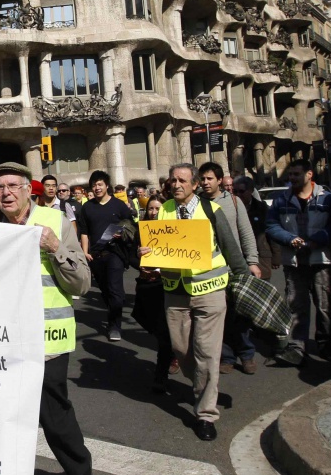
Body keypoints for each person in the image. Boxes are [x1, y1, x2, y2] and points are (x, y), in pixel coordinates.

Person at [0, 161, 94, 475]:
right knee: (7, 422)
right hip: (1, 344)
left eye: (14, 185)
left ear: (28, 190)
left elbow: (81, 284)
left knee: (53, 414)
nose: (7, 192)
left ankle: (79, 470)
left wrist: (54, 248)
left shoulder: (55, 221)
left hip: (48, 341)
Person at [143, 164, 249, 441]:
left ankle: (205, 414)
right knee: (182, 350)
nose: (176, 184)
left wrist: (243, 278)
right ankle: (201, 382)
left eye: (182, 180)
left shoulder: (211, 211)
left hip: (210, 291)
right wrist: (146, 256)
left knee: (207, 353)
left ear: (194, 185)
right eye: (172, 180)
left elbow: (230, 248)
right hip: (175, 292)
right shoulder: (162, 210)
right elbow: (155, 249)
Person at [265, 159, 331, 365]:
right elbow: (271, 225)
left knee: (324, 305)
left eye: (296, 174)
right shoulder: (282, 200)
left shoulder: (327, 199)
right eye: (290, 175)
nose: (292, 178)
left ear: (309, 175)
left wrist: (319, 239)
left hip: (321, 260)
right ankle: (297, 347)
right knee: (296, 306)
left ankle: (327, 344)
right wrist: (289, 239)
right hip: (294, 262)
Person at [198, 162, 261, 376]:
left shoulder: (233, 202)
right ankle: (226, 356)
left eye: (210, 179)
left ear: (219, 180)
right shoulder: (195, 204)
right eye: (203, 179)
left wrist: (252, 261)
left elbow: (246, 233)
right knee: (220, 315)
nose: (205, 183)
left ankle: (247, 354)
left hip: (235, 267)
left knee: (240, 315)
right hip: (211, 270)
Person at [78, 170, 134, 341]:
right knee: (105, 290)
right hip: (95, 255)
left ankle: (114, 325)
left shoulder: (118, 205)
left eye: (100, 184)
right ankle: (113, 309)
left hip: (114, 253)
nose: (97, 188)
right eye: (94, 185)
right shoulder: (87, 207)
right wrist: (85, 252)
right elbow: (84, 232)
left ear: (107, 186)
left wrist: (122, 232)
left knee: (115, 291)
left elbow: (131, 225)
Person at [132, 197, 174, 393]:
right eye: (150, 209)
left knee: (164, 333)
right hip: (147, 284)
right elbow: (131, 257)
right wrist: (139, 256)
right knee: (148, 321)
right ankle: (171, 352)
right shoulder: (141, 230)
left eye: (158, 209)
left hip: (168, 285)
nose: (154, 212)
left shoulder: (175, 229)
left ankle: (161, 374)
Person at [233, 176, 281, 280]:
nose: (238, 195)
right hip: (239, 258)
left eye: (241, 191)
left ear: (250, 191)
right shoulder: (229, 209)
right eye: (235, 191)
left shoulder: (261, 208)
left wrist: (276, 256)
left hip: (261, 258)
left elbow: (272, 232)